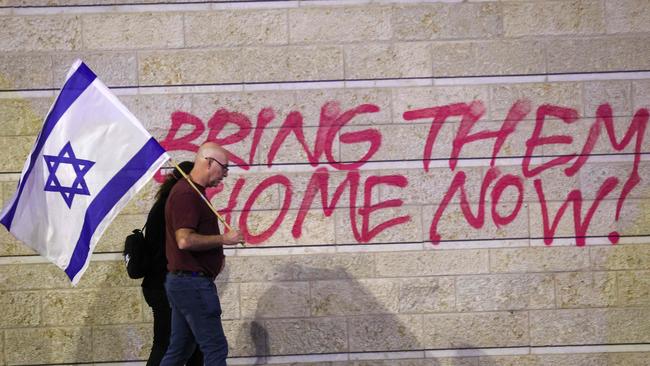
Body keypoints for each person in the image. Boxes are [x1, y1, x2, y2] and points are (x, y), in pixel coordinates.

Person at [160, 142, 244, 366]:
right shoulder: (187, 194)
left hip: (185, 282)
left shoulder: (193, 193)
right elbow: (185, 240)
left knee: (180, 350)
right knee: (215, 348)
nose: (225, 175)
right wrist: (223, 240)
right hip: (192, 283)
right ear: (208, 162)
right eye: (224, 168)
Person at [142, 161, 203, 366]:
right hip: (167, 286)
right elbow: (184, 245)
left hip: (160, 285)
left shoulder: (163, 205)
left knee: (191, 344)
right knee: (166, 344)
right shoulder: (176, 206)